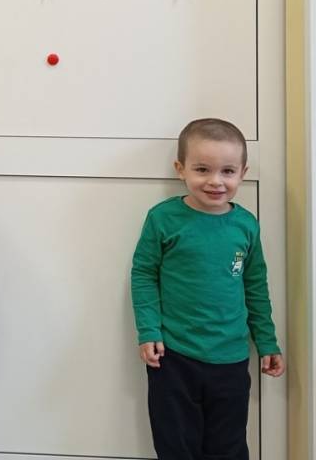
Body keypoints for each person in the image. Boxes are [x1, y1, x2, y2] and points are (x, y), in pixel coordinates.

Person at [131, 118, 284, 460]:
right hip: (173, 358)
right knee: (175, 446)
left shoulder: (246, 225)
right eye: (202, 169)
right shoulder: (163, 219)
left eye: (227, 171)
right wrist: (148, 330)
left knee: (228, 447)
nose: (216, 181)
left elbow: (256, 286)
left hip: (231, 359)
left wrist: (267, 340)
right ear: (180, 169)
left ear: (243, 173)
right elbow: (143, 275)